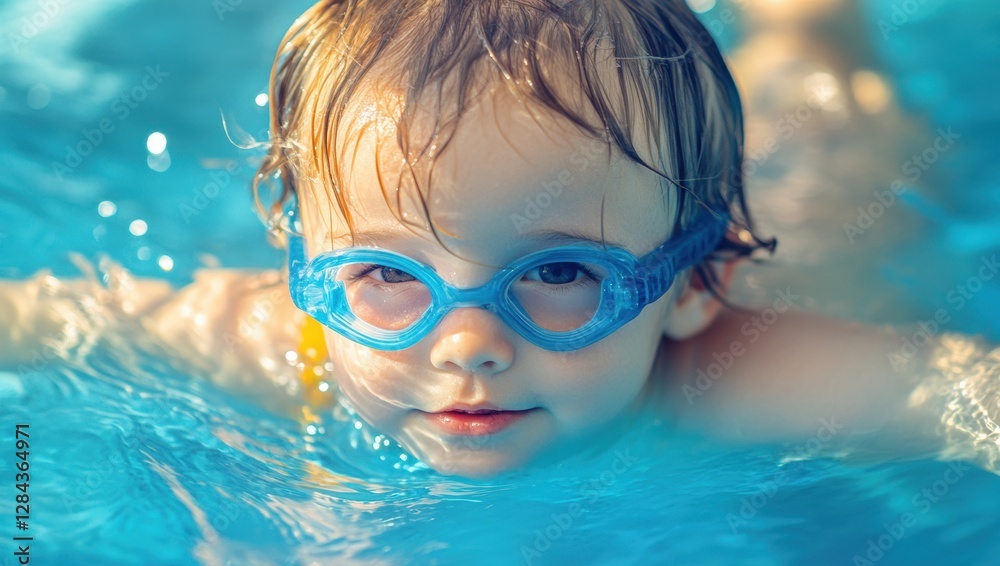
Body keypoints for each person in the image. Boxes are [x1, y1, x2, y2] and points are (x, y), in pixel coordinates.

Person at [2, 0, 997, 477]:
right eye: (388, 271)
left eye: (560, 271)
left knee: (819, 90)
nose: (467, 341)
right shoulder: (287, 341)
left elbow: (957, 389)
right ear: (303, 264)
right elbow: (56, 315)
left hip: (816, 211)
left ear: (695, 279)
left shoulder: (729, 375)